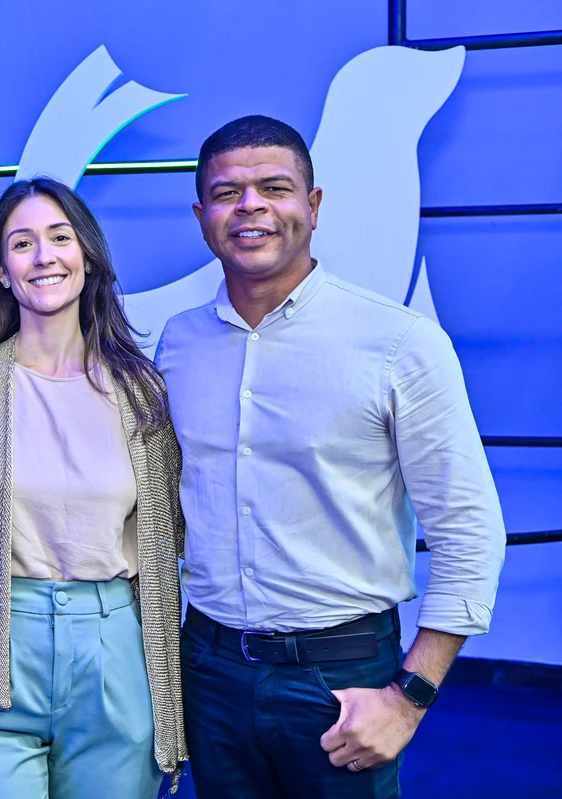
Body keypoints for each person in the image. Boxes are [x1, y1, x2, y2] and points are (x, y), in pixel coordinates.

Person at [155, 114, 505, 799]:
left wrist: (409, 697)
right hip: (210, 669)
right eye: (227, 193)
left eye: (274, 188)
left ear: (313, 206)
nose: (250, 206)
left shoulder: (398, 343)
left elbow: (470, 530)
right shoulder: (177, 345)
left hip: (342, 674)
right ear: (202, 218)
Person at [0, 177, 188, 798]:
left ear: (88, 257)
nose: (44, 256)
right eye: (22, 244)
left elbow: (166, 550)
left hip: (113, 653)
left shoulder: (143, 392)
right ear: (1, 272)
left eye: (60, 237)